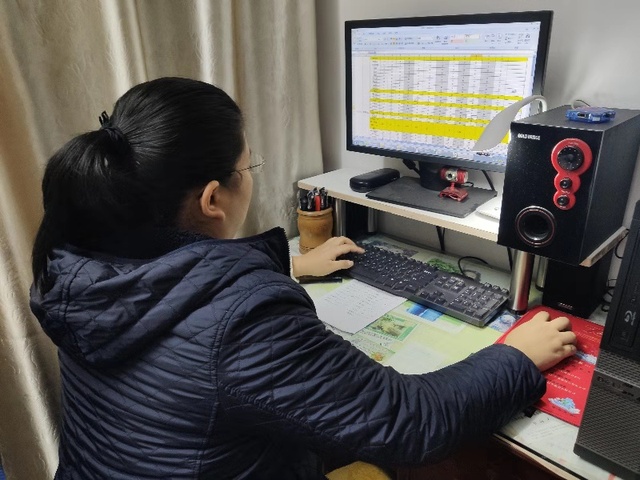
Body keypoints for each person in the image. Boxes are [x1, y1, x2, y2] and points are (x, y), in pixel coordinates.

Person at [30, 77, 577, 480]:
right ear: (213, 199)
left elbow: (178, 298)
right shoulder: (245, 322)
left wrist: (291, 265)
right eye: (248, 167)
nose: (251, 176)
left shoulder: (79, 267)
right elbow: (411, 420)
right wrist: (517, 357)